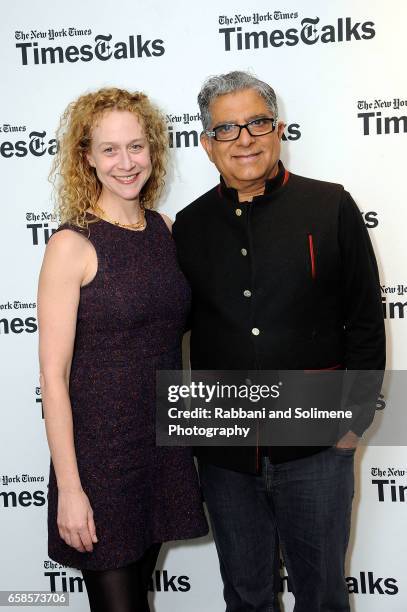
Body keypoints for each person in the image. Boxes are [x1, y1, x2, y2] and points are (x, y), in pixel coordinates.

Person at [172, 71, 385, 611]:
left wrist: (352, 424)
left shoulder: (330, 205)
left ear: (278, 128)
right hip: (224, 449)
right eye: (227, 129)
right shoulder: (190, 226)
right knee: (245, 597)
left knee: (323, 597)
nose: (244, 138)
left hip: (317, 443)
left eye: (257, 122)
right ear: (206, 143)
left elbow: (364, 322)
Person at [38, 87, 207, 612]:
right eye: (109, 149)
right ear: (86, 156)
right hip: (100, 461)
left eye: (136, 146)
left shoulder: (165, 230)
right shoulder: (73, 244)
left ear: (153, 149)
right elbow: (53, 374)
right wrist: (70, 487)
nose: (126, 162)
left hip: (161, 449)